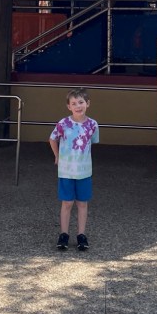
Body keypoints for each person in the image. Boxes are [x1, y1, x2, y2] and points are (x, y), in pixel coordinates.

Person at [49, 87, 99, 251]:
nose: (78, 106)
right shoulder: (63, 123)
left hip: (84, 171)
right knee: (67, 202)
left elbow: (92, 141)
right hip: (66, 171)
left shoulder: (92, 124)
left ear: (88, 104)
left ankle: (81, 235)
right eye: (74, 103)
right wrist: (57, 156)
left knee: (82, 203)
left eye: (81, 102)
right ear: (69, 106)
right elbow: (52, 138)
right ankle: (64, 234)